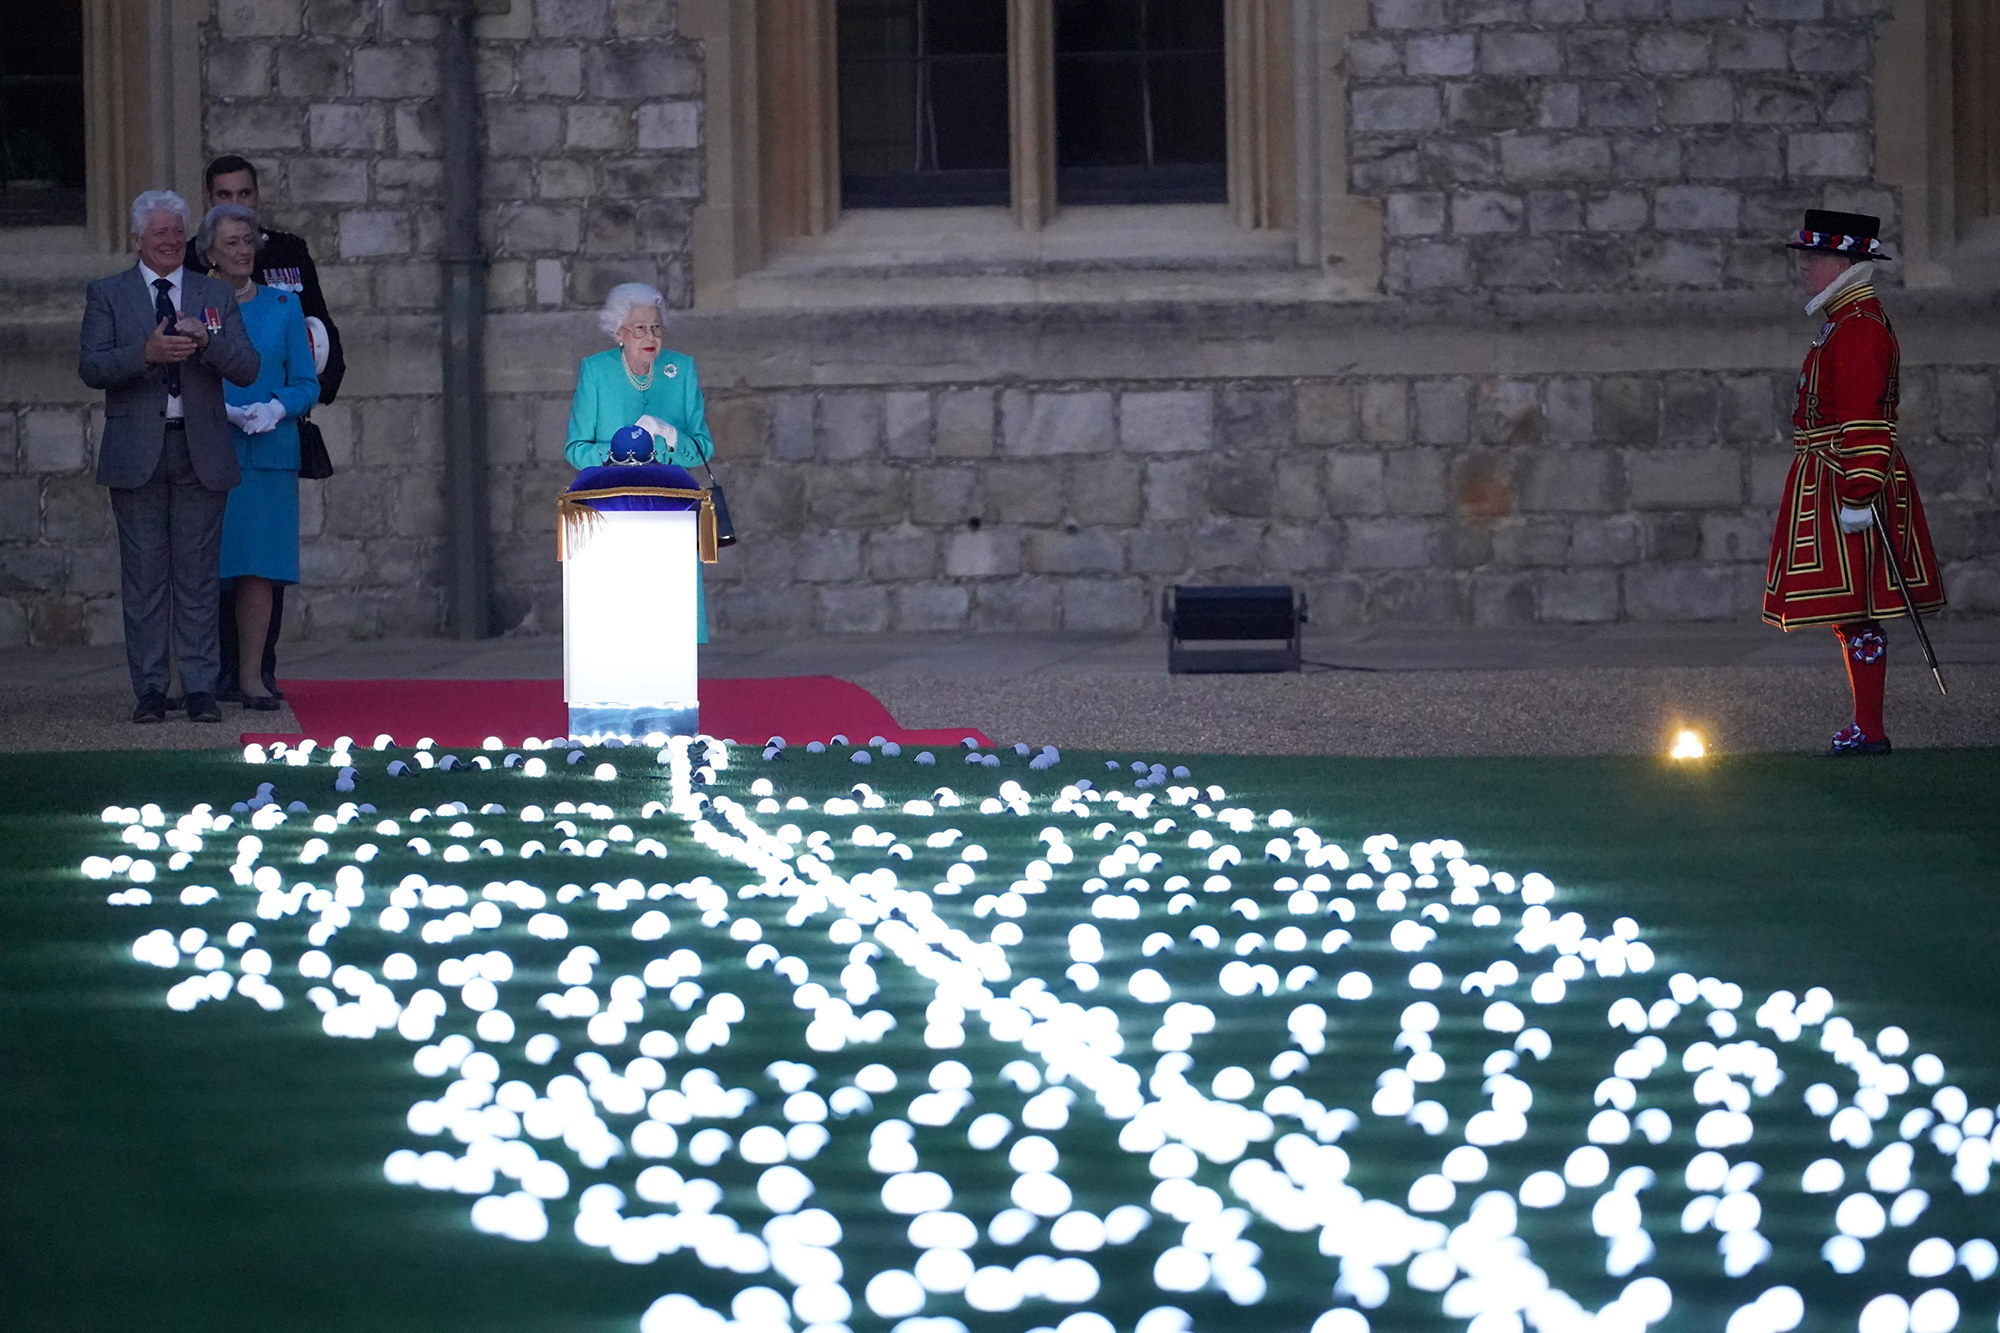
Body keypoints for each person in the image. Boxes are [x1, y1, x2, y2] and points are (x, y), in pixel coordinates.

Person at [1763, 210, 1946, 756]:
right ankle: (1866, 725)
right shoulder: (1845, 320)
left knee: (1857, 607)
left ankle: (1869, 728)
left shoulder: (1859, 327)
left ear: (1844, 263)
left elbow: (1865, 417)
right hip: (1833, 472)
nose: (1806, 270)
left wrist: (1860, 490)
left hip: (1846, 476)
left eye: (1815, 259)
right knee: (1852, 610)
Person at [78, 190, 258, 723]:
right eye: (159, 232)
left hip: (199, 448)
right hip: (137, 452)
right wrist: (146, 354)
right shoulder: (108, 293)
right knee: (144, 578)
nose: (170, 240)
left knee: (200, 577)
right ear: (138, 238)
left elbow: (247, 368)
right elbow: (91, 367)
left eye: (178, 232)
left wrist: (209, 343)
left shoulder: (214, 294)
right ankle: (152, 689)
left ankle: (200, 688)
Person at [194, 154, 346, 701]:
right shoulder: (193, 283)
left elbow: (318, 346)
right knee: (208, 569)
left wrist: (284, 408)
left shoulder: (286, 266)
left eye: (244, 196)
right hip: (212, 443)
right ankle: (208, 674)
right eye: (222, 197)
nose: (237, 218)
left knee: (262, 569)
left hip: (271, 442)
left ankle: (256, 672)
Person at [565, 282, 716, 641]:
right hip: (613, 508)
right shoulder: (597, 371)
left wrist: (673, 436)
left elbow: (702, 447)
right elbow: (575, 449)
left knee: (668, 618)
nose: (650, 336)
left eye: (655, 327)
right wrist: (621, 449)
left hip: (670, 508)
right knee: (622, 619)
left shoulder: (680, 369)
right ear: (619, 332)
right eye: (639, 329)